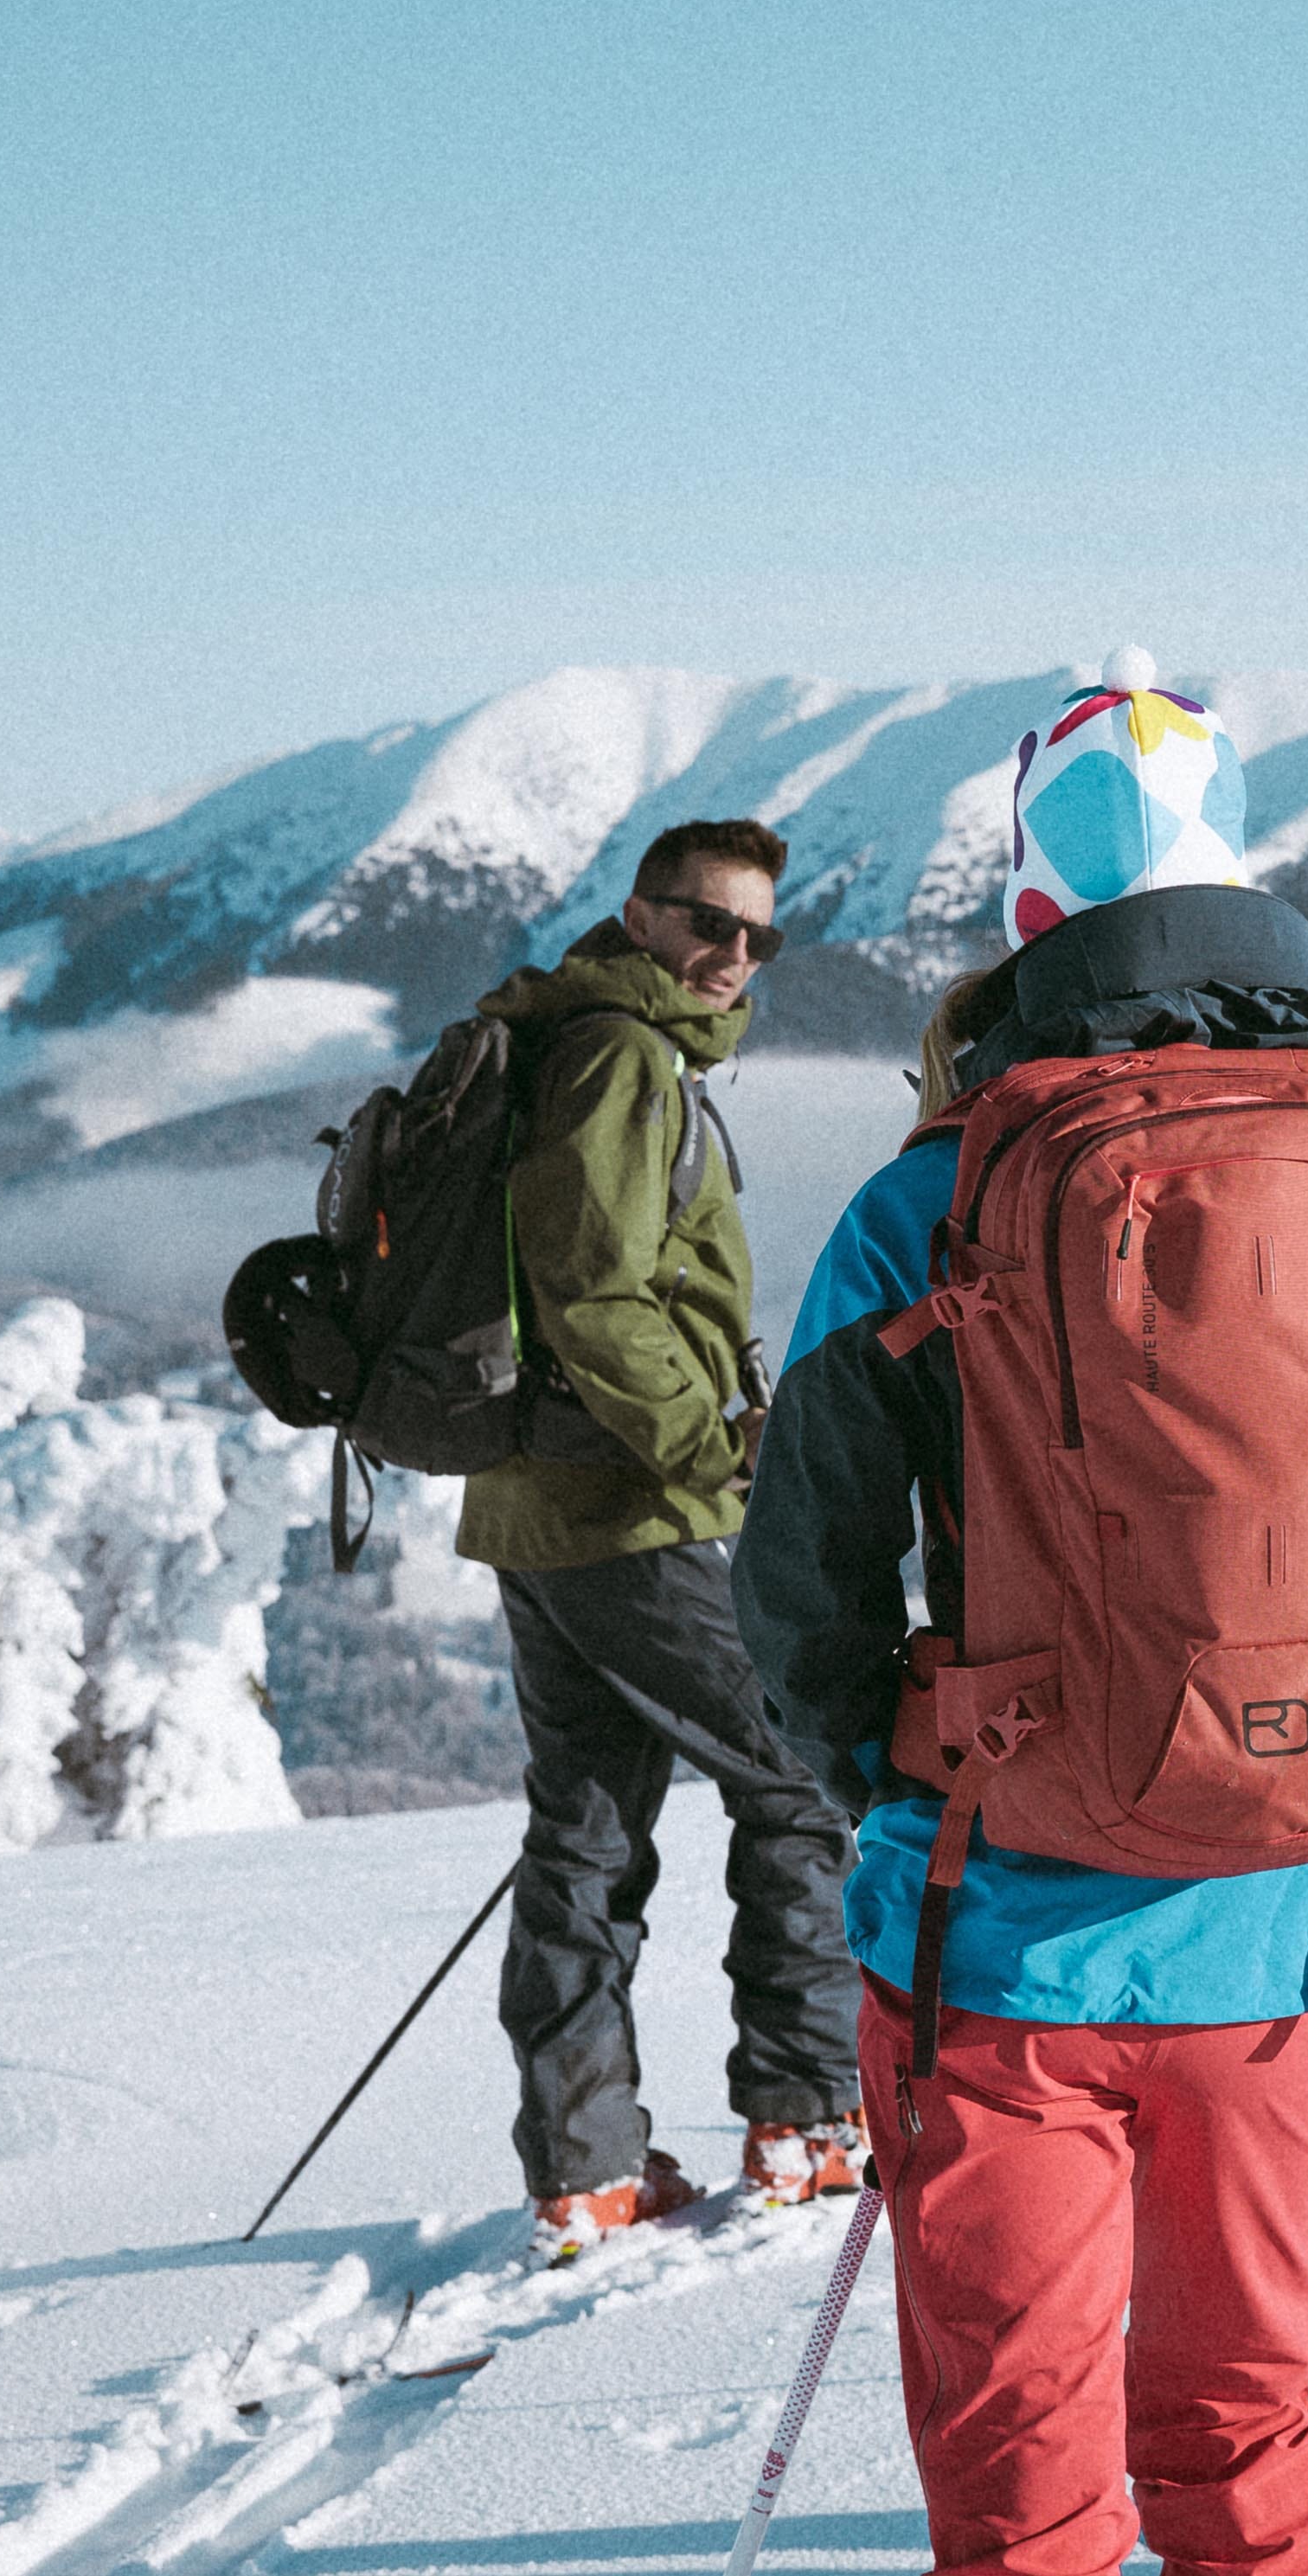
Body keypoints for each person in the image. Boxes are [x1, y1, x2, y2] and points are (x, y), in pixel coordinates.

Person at [734, 656, 1308, 2576]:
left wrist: (897, 1766)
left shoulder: (934, 1203)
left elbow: (802, 1570)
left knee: (1024, 2457)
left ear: (1022, 923)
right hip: (1281, 1926)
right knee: (1247, 2416)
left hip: (995, 1926)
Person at [458, 815, 869, 2252]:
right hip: (632, 1505)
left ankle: (590, 2164)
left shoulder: (584, 1037)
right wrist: (710, 1447)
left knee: (582, 1826)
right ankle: (806, 2111)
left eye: (756, 935)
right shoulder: (624, 1058)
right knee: (799, 1778)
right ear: (638, 914)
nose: (728, 957)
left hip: (537, 1503)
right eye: (704, 923)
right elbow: (594, 1288)